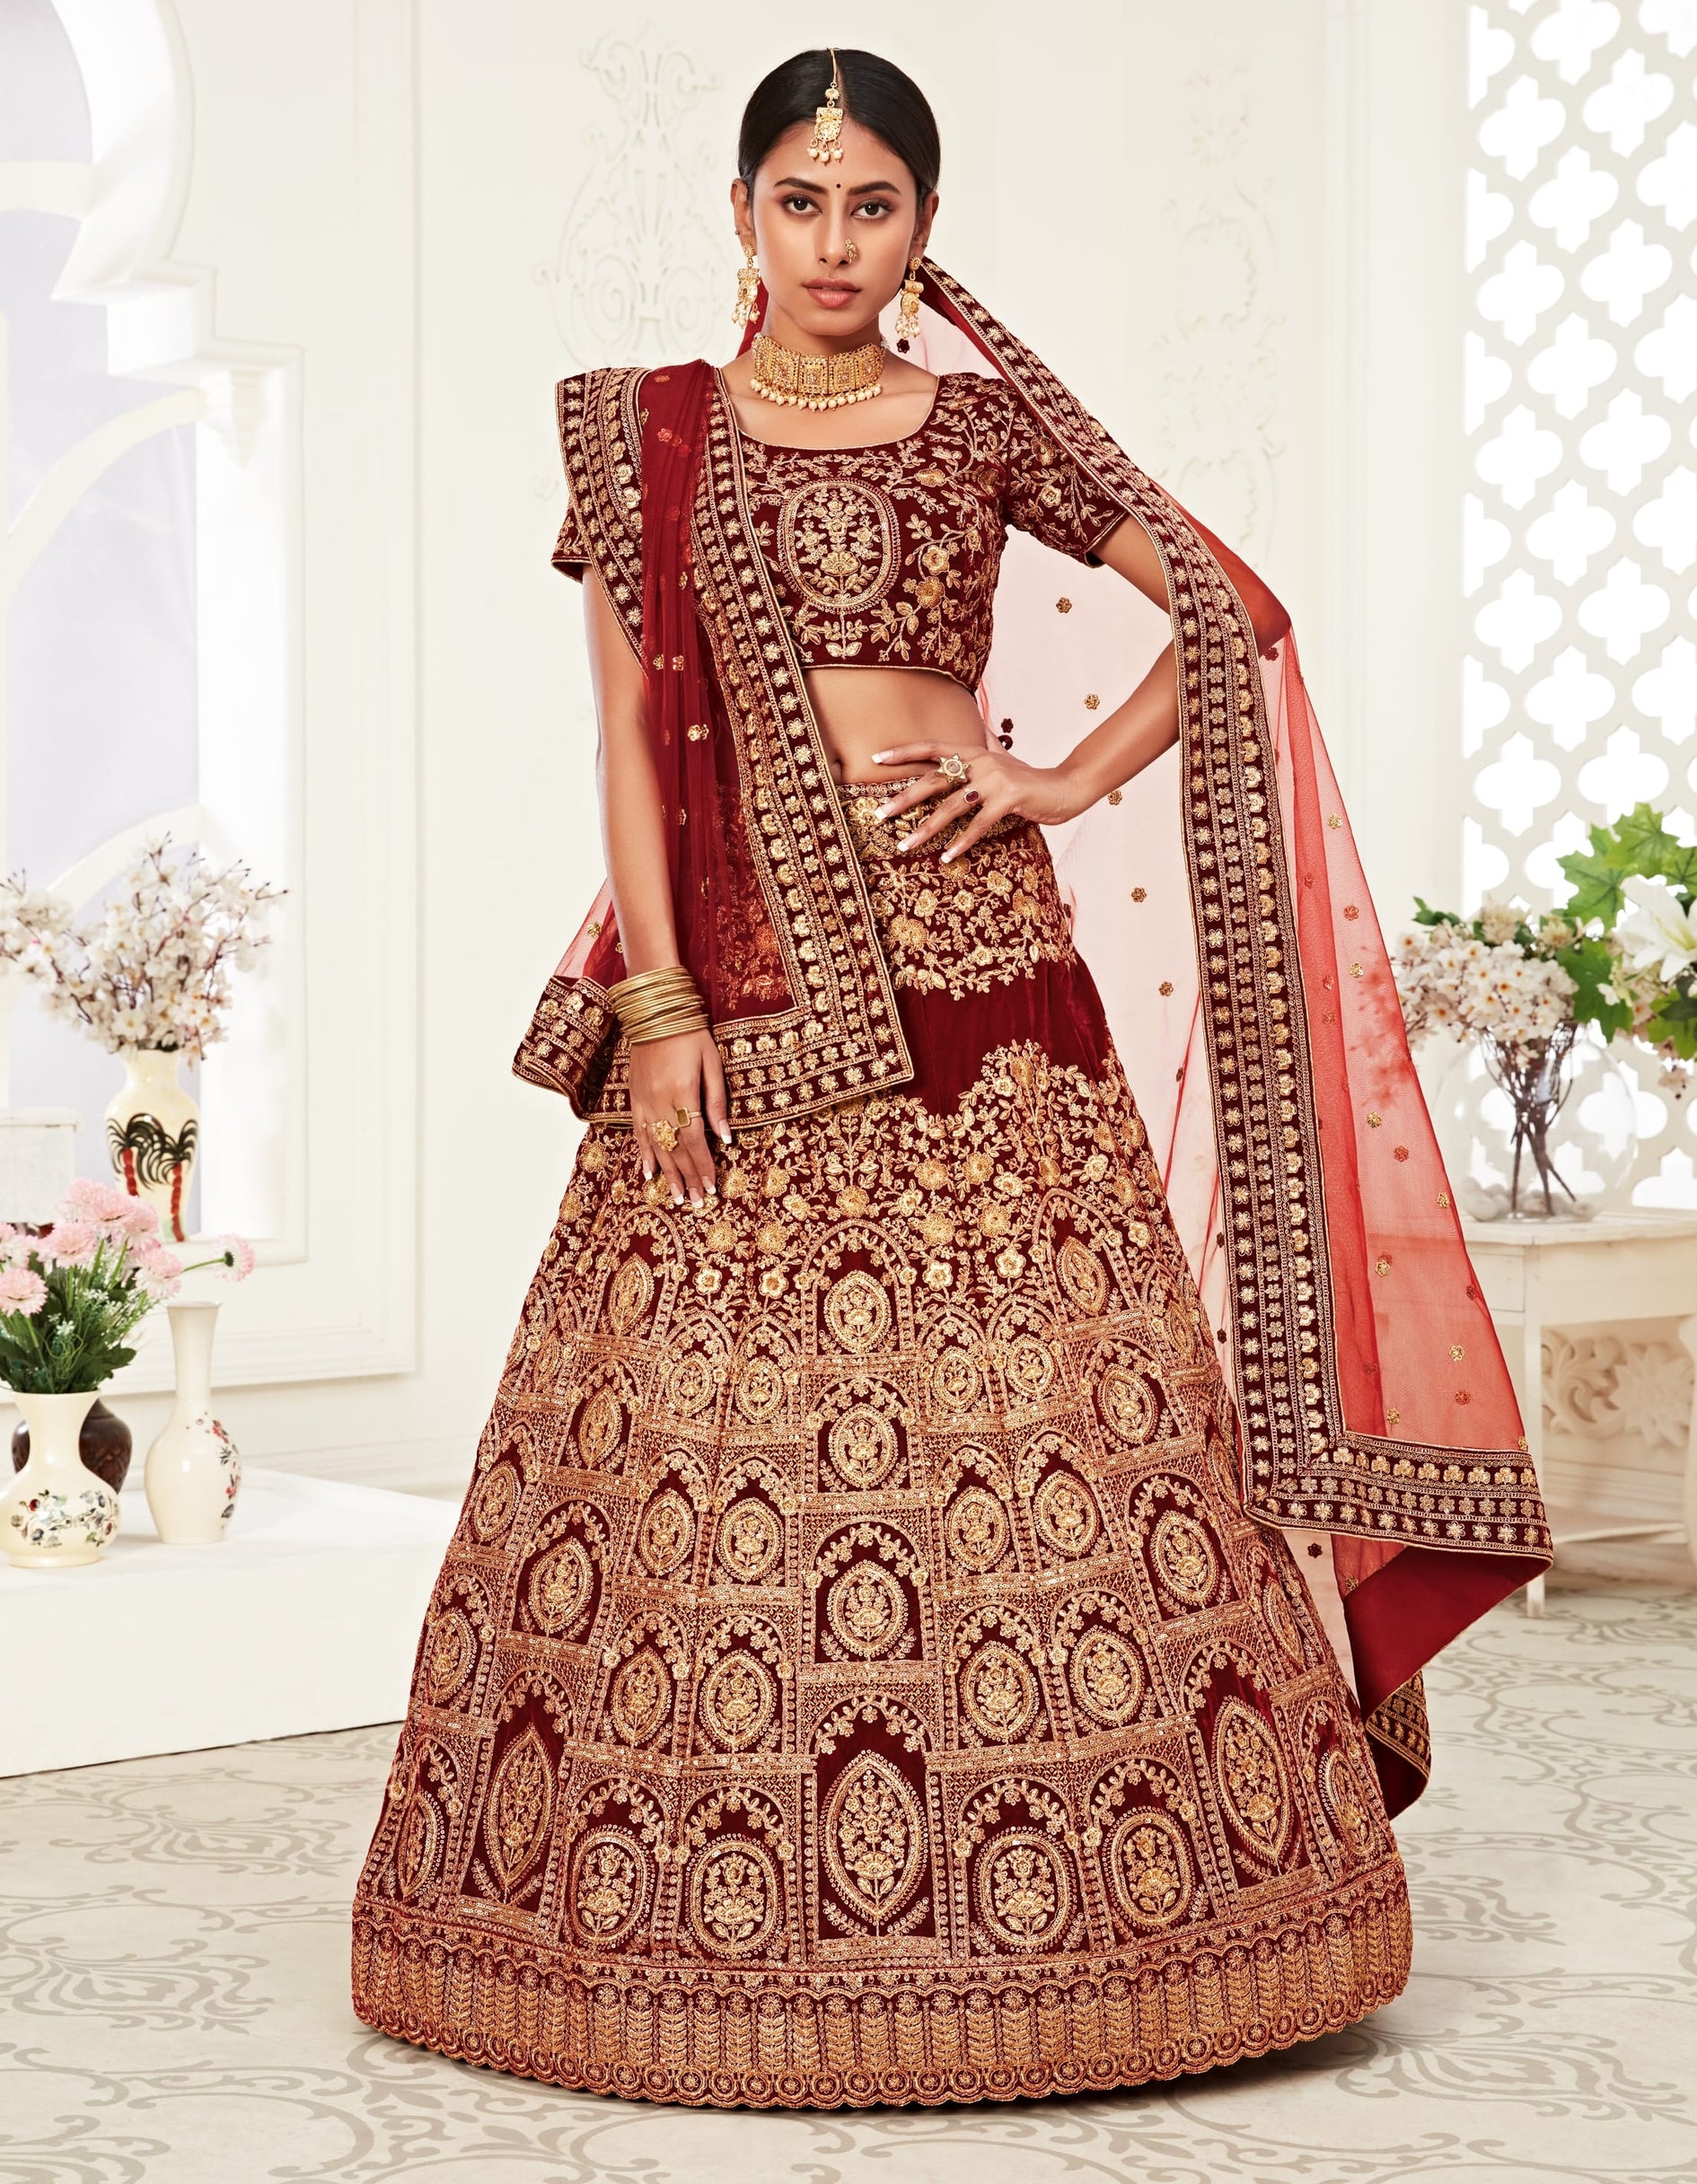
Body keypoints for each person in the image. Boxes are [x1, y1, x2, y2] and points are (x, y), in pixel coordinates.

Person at [352, 48, 1550, 2110]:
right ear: (742, 214)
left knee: (1043, 1434)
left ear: (924, 224)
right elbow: (635, 748)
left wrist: (1053, 774)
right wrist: (657, 1013)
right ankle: (661, 1935)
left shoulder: (991, 428)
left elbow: (1228, 614)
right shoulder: (646, 439)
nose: (834, 243)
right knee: (708, 1455)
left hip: (978, 973)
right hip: (730, 980)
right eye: (799, 202)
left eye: (875, 204)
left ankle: (1128, 1931)